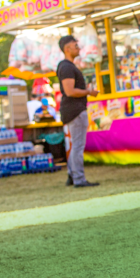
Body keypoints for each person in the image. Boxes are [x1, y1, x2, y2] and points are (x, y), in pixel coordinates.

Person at [57, 35, 99, 188]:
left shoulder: (67, 66)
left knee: (75, 145)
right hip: (75, 110)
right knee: (78, 146)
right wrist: (89, 92)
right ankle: (79, 179)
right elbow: (70, 91)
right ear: (67, 49)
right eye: (75, 46)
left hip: (71, 110)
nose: (78, 48)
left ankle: (72, 175)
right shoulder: (67, 67)